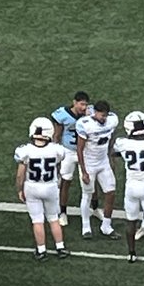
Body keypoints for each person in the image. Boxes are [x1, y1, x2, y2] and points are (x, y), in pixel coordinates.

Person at [14, 117, 68, 259]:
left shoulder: (25, 150)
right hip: (50, 186)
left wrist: (19, 189)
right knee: (53, 218)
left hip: (32, 186)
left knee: (37, 220)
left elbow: (20, 174)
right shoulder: (57, 149)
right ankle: (60, 247)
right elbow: (59, 165)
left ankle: (41, 250)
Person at [113, 111, 144, 263]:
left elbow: (114, 153)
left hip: (131, 187)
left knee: (131, 221)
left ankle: (131, 253)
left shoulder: (123, 143)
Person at [75, 100, 119, 239]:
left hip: (103, 162)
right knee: (87, 194)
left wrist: (111, 158)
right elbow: (80, 149)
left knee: (111, 192)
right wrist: (84, 170)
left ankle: (106, 226)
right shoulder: (85, 125)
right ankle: (85, 226)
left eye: (105, 115)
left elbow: (111, 139)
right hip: (89, 164)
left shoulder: (112, 120)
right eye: (101, 115)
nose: (103, 118)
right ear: (95, 112)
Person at [51, 91, 89, 225]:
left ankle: (94, 208)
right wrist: (55, 152)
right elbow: (57, 134)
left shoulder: (89, 114)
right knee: (65, 182)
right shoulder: (64, 114)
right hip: (68, 151)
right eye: (81, 104)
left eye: (85, 104)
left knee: (90, 181)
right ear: (74, 102)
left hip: (85, 152)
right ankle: (62, 211)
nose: (83, 108)